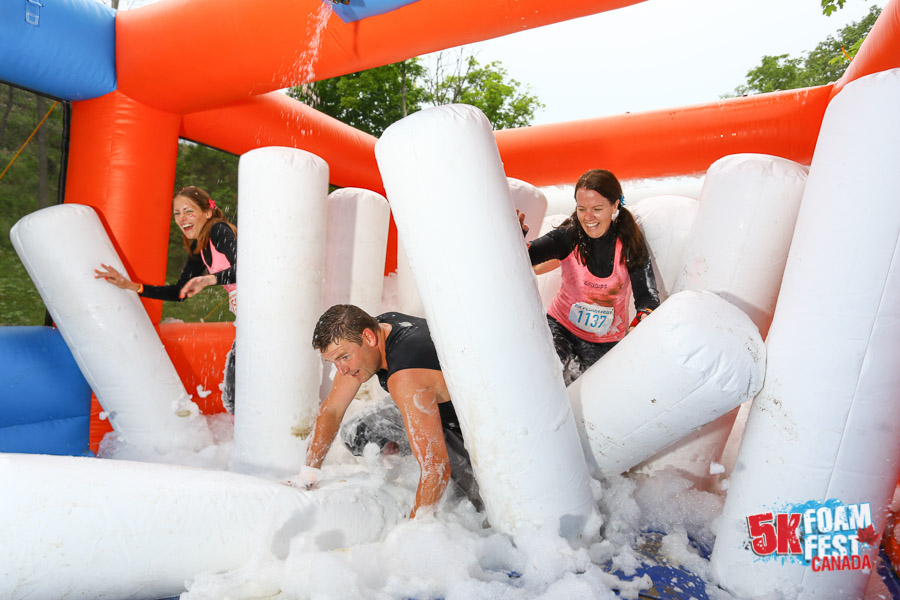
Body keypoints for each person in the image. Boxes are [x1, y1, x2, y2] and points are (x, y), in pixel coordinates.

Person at [307, 304, 480, 518]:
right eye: (333, 362)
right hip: (430, 404)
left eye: (344, 357)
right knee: (358, 435)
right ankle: (417, 443)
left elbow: (436, 467)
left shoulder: (405, 376)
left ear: (369, 338)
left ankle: (464, 477)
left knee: (475, 505)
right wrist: (309, 474)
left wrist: (413, 529)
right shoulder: (380, 325)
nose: (341, 370)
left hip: (476, 432)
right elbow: (332, 411)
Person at [94, 186, 239, 413]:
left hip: (266, 311)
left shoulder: (219, 230)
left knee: (236, 393)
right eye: (177, 213)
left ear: (207, 213)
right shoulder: (199, 248)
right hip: (248, 318)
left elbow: (247, 269)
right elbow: (179, 293)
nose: (182, 218)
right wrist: (131, 286)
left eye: (189, 211)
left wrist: (209, 280)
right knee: (232, 395)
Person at [527, 169, 659, 385]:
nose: (588, 218)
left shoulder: (629, 243)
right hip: (561, 328)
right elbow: (529, 255)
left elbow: (647, 298)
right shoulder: (569, 235)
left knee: (589, 395)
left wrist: (638, 326)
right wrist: (515, 239)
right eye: (581, 209)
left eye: (597, 209)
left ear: (615, 206)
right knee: (551, 373)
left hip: (606, 341)